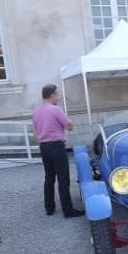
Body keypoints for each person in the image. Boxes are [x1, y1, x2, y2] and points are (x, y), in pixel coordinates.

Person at [33, 84, 85, 218]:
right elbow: (69, 126)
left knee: (49, 178)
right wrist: (69, 123)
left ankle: (49, 208)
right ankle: (68, 211)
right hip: (56, 145)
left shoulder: (36, 111)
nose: (58, 97)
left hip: (44, 146)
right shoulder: (55, 109)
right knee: (63, 178)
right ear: (51, 95)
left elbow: (35, 132)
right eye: (57, 95)